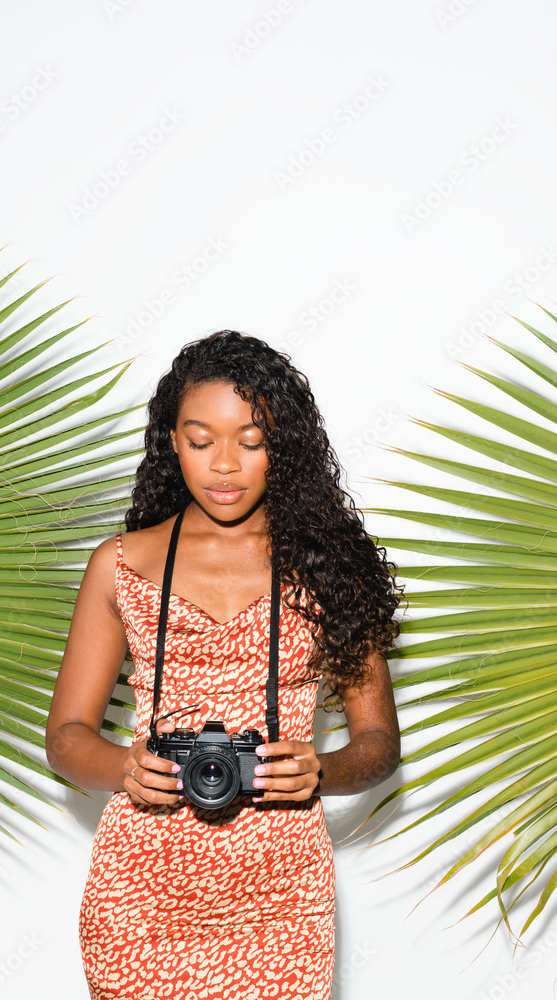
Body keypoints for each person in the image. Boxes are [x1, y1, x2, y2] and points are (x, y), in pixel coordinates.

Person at [45, 329, 403, 1000]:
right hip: (140, 888)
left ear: (282, 445)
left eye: (251, 439)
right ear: (172, 442)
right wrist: (123, 767)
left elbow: (380, 746)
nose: (224, 465)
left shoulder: (328, 570)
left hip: (280, 892)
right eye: (201, 440)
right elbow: (65, 738)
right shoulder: (116, 565)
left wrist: (320, 770)